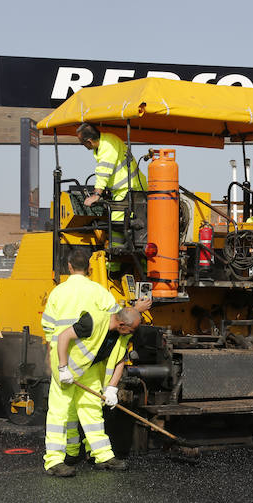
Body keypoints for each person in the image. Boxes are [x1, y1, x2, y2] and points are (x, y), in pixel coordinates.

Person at [40, 249, 150, 477]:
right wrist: (62, 367)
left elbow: (50, 328)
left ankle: (101, 455)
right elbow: (113, 316)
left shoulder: (57, 292)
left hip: (83, 362)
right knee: (61, 411)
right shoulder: (99, 295)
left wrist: (111, 388)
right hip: (68, 362)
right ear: (89, 269)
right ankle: (53, 461)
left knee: (87, 408)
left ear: (69, 266)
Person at [76, 123, 148, 259]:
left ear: (89, 141)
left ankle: (116, 262)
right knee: (130, 227)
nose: (83, 146)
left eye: (82, 143)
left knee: (118, 223)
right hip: (127, 190)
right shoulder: (107, 141)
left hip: (130, 190)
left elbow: (103, 172)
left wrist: (96, 194)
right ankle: (125, 261)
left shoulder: (107, 148)